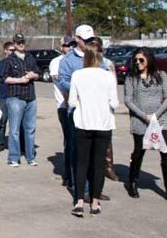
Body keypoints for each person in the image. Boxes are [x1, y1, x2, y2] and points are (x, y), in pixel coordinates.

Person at [58, 25, 114, 199]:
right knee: (79, 155)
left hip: (98, 112)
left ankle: (96, 190)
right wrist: (82, 88)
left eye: (91, 39)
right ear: (77, 39)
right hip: (78, 112)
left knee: (96, 155)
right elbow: (63, 82)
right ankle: (83, 191)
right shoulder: (68, 60)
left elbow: (107, 83)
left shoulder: (100, 58)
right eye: (85, 40)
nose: (89, 42)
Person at [68, 39, 118, 217]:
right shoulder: (108, 76)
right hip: (103, 124)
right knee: (98, 165)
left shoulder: (78, 75)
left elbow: (72, 102)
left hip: (83, 123)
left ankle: (79, 201)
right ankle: (95, 202)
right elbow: (115, 103)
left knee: (81, 163)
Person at [124, 47, 167, 205]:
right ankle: (133, 183)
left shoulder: (162, 76)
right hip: (140, 120)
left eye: (141, 60)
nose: (138, 63)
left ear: (149, 59)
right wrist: (144, 116)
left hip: (161, 120)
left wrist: (156, 115)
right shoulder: (131, 78)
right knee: (138, 152)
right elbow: (128, 100)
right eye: (135, 60)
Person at [1, 33, 39, 167]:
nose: (21, 44)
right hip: (15, 98)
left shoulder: (30, 57)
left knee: (30, 129)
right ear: (14, 44)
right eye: (18, 42)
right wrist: (20, 80)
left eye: (22, 41)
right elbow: (4, 78)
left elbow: (37, 73)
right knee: (14, 130)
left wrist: (32, 75)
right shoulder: (9, 60)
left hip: (30, 98)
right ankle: (14, 157)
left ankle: (30, 157)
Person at [49, 35, 76, 187]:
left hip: (76, 107)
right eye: (66, 46)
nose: (69, 48)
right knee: (70, 142)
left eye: (72, 45)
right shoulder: (56, 62)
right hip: (64, 107)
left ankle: (73, 174)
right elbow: (62, 85)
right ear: (61, 47)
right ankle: (68, 175)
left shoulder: (77, 60)